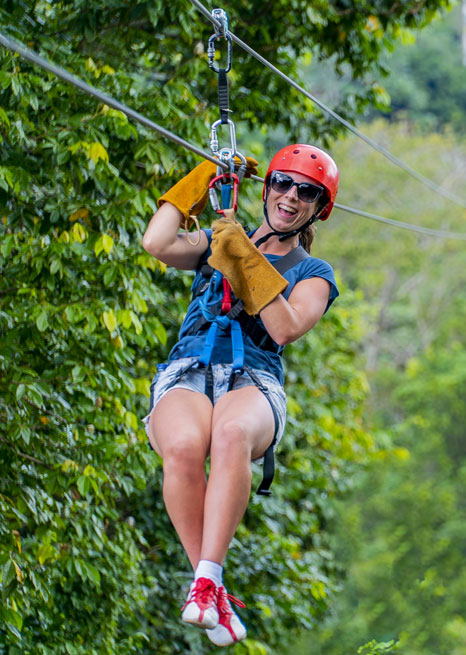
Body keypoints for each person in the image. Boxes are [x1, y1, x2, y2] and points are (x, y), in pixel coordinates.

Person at [141, 144, 340, 647]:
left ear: (319, 207)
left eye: (307, 192)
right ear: (267, 186)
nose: (291, 197)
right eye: (282, 184)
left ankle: (208, 579)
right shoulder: (217, 239)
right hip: (190, 367)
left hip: (253, 378)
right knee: (183, 448)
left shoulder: (314, 274)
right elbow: (157, 242)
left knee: (230, 435)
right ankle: (210, 586)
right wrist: (205, 177)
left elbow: (285, 326)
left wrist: (243, 254)